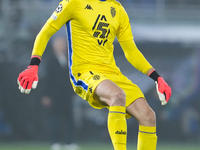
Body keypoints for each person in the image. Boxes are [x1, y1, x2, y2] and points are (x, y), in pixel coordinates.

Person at [17, 0, 172, 150]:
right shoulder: (74, 3)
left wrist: (156, 77)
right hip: (84, 71)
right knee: (117, 95)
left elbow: (131, 51)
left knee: (148, 116)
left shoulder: (117, 9)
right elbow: (45, 32)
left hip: (112, 72)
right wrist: (33, 66)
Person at [40, 36, 78, 150]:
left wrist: (75, 93)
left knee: (70, 120)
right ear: (53, 46)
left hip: (67, 96)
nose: (61, 46)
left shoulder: (70, 59)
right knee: (54, 120)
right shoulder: (50, 60)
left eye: (63, 44)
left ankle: (69, 142)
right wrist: (45, 95)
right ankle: (55, 142)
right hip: (54, 96)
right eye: (59, 44)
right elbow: (46, 79)